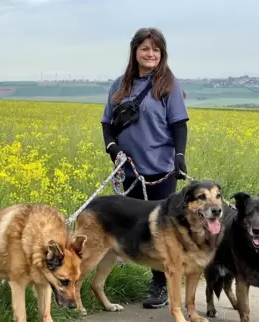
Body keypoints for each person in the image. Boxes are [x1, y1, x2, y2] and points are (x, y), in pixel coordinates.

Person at [100, 27, 189, 309]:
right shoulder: (120, 85)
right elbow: (106, 123)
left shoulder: (168, 84)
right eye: (145, 49)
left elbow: (178, 124)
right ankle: (132, 268)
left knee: (162, 231)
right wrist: (113, 149)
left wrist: (180, 155)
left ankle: (160, 285)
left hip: (161, 170)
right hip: (129, 170)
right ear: (135, 52)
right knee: (137, 227)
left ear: (161, 54)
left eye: (156, 50)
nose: (150, 54)